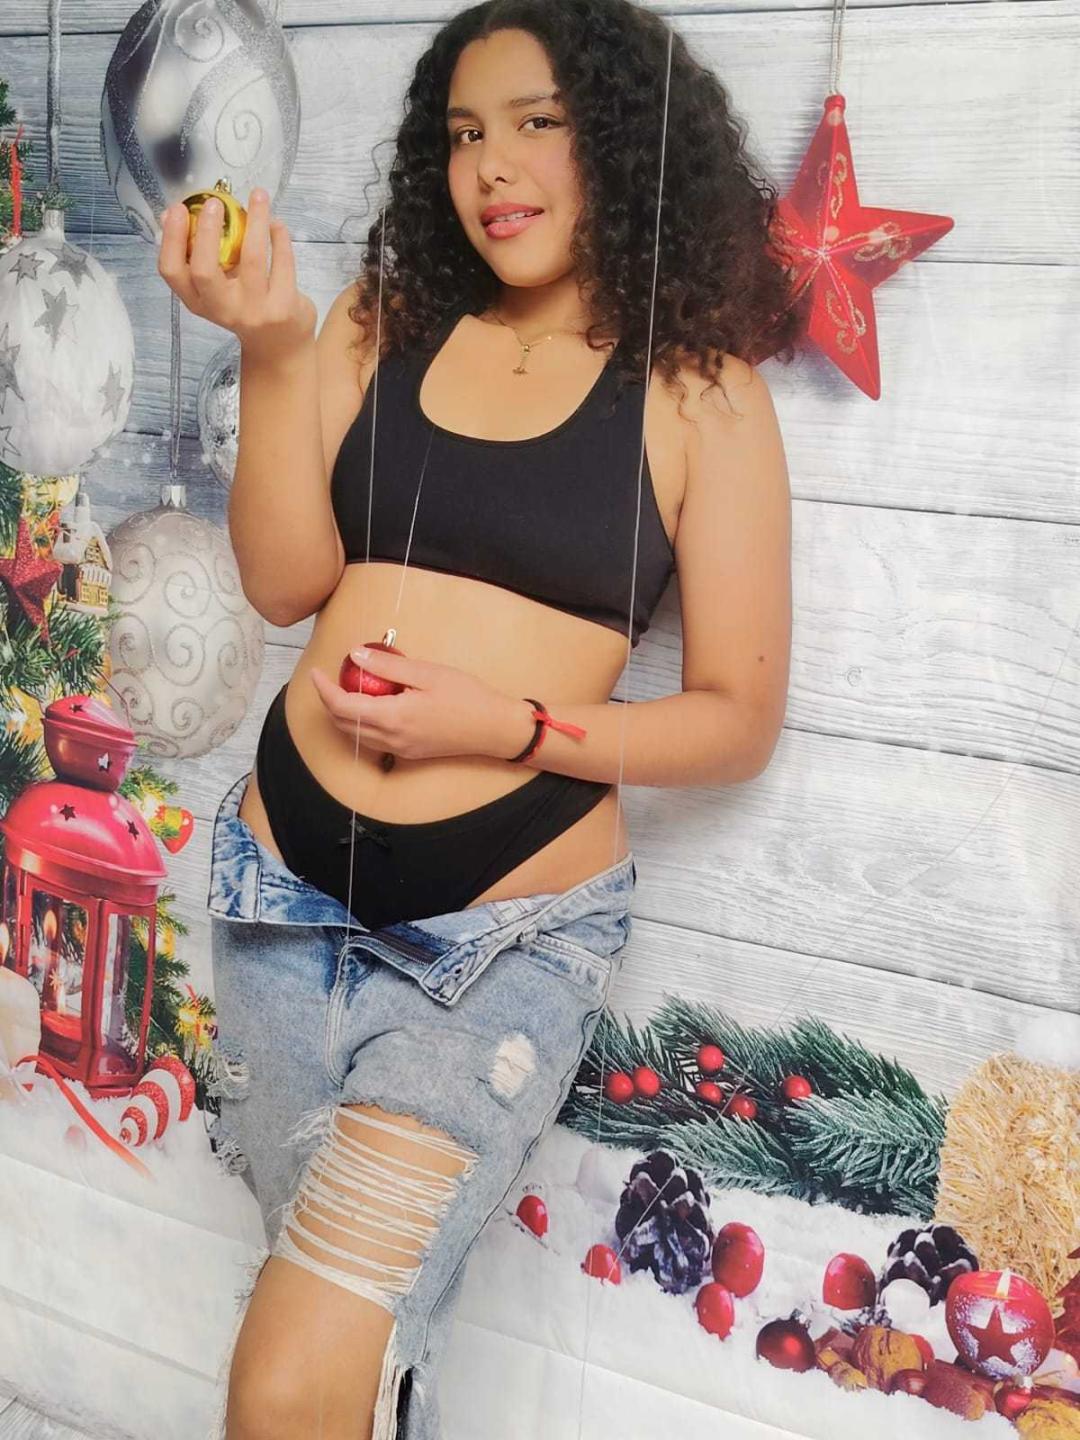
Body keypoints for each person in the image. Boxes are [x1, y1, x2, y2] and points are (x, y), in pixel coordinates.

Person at [158, 1, 796, 1436]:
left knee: (286, 1382)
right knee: (342, 1362)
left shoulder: (701, 397)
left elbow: (737, 719)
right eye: (461, 134)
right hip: (276, 905)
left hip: (495, 951)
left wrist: (505, 724)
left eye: (536, 124)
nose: (490, 167)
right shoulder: (379, 322)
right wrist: (271, 344)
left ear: (620, 140)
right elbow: (284, 583)